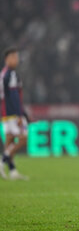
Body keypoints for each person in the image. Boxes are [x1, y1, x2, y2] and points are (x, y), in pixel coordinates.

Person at [0, 47, 29, 180]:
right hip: (12, 113)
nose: (16, 60)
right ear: (7, 59)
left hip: (5, 114)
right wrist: (20, 115)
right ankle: (3, 160)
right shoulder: (10, 74)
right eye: (14, 57)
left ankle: (12, 171)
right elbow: (14, 96)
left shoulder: (3, 74)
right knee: (23, 138)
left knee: (10, 140)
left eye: (17, 57)